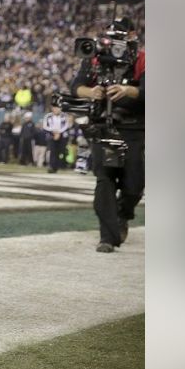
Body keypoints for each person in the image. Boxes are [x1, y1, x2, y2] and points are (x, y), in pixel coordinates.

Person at [72, 17, 145, 253]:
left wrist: (128, 90)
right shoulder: (95, 58)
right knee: (105, 179)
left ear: (132, 35)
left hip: (134, 128)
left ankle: (123, 214)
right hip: (104, 126)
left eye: (121, 35)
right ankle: (107, 237)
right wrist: (91, 92)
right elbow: (76, 87)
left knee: (133, 185)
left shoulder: (142, 58)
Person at [43, 105, 70, 173]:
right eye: (55, 108)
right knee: (52, 151)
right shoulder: (48, 116)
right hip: (51, 135)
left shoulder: (64, 116)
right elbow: (45, 126)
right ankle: (51, 166)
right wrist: (54, 131)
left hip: (61, 135)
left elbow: (66, 125)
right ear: (52, 109)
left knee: (59, 151)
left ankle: (57, 167)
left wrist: (59, 132)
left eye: (58, 108)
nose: (56, 110)